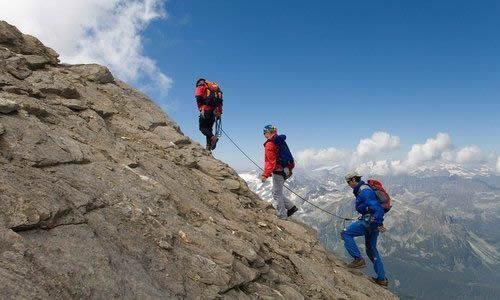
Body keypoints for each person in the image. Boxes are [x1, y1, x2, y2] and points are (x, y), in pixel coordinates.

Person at [341, 171, 389, 287]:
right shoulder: (364, 189)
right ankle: (381, 279)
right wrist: (379, 223)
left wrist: (376, 223)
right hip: (373, 222)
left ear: (353, 180)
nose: (348, 184)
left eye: (348, 182)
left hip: (369, 222)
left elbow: (376, 208)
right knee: (371, 249)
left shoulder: (364, 191)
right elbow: (373, 208)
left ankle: (358, 259)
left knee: (346, 234)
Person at [260, 125, 298, 220]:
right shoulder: (280, 140)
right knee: (276, 192)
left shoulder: (270, 144)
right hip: (286, 169)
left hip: (278, 170)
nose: (264, 135)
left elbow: (270, 162)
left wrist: (265, 174)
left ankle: (282, 216)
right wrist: (289, 169)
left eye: (264, 133)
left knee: (276, 193)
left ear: (268, 132)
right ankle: (291, 207)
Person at [194, 78, 223, 150]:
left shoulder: (201, 86)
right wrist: (219, 113)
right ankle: (208, 147)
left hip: (205, 110)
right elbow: (220, 103)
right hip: (214, 112)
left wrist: (200, 109)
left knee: (202, 128)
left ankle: (213, 138)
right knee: (209, 129)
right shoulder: (216, 91)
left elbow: (198, 97)